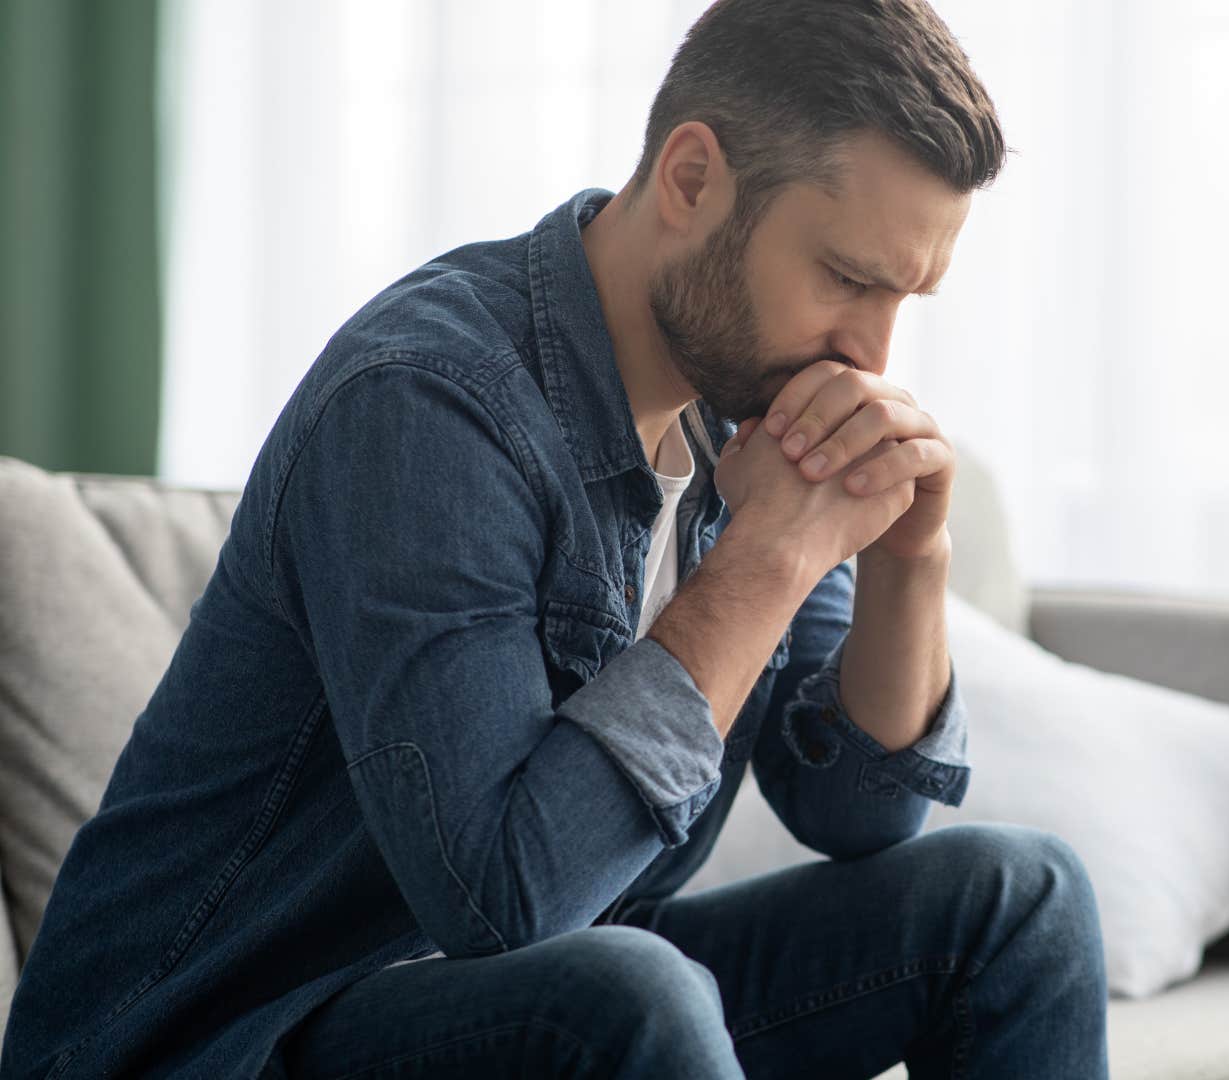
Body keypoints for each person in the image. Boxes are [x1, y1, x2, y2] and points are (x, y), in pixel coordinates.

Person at [0, 1, 1109, 1076]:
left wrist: (909, 564)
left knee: (1020, 903)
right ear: (690, 179)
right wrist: (765, 561)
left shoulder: (747, 404)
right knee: (625, 993)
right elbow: (505, 897)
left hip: (524, 1006)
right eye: (848, 279)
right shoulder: (429, 400)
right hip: (224, 1036)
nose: (872, 353)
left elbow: (858, 815)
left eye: (907, 296)